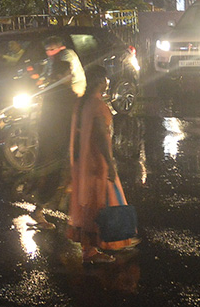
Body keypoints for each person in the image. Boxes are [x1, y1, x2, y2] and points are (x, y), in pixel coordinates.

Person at [67, 65, 139, 263]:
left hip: (82, 160)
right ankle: (96, 248)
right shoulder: (98, 106)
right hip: (96, 162)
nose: (108, 82)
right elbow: (100, 135)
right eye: (106, 79)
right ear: (100, 81)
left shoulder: (81, 103)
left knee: (88, 203)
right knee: (97, 203)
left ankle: (90, 248)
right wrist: (109, 162)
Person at [29, 57, 76, 229]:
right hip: (57, 142)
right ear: (60, 75)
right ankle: (39, 210)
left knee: (57, 177)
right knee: (53, 178)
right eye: (68, 73)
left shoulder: (54, 91)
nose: (71, 76)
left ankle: (47, 208)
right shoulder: (62, 94)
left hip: (53, 141)